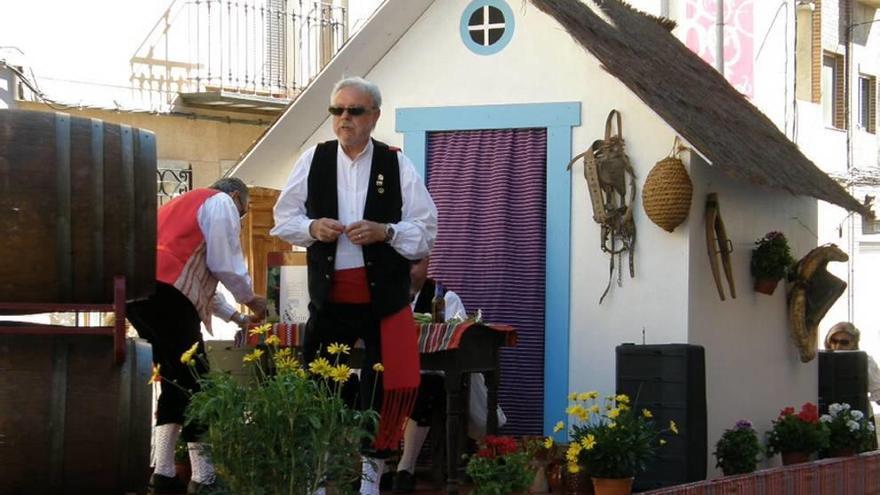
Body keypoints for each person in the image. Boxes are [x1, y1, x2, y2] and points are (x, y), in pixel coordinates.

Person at [271, 76, 437, 495]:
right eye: (337, 111)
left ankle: (368, 486)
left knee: (383, 392)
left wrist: (387, 232)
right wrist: (312, 226)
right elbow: (282, 219)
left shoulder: (396, 162)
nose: (344, 118)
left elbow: (426, 227)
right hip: (330, 297)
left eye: (354, 111)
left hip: (384, 298)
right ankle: (319, 484)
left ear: (374, 116)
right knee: (321, 388)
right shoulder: (313, 159)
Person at [127, 177, 267, 495]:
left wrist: (236, 317)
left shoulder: (180, 206)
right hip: (168, 297)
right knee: (198, 384)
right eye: (242, 212)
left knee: (177, 382)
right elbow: (224, 264)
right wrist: (250, 298)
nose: (240, 219)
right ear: (235, 197)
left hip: (141, 296)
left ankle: (163, 473)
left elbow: (197, 279)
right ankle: (203, 478)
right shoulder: (219, 203)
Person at [393, 257, 505, 493]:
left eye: (414, 264)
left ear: (427, 263)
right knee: (357, 385)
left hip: (432, 376)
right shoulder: (385, 296)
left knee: (426, 385)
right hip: (389, 373)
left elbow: (460, 340)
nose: (408, 271)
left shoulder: (445, 298)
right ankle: (372, 467)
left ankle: (406, 467)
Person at [824, 322, 880, 404]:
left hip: (858, 413)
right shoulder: (821, 360)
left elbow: (877, 391)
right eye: (834, 341)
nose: (838, 346)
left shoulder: (865, 361)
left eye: (844, 342)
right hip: (827, 412)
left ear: (854, 343)